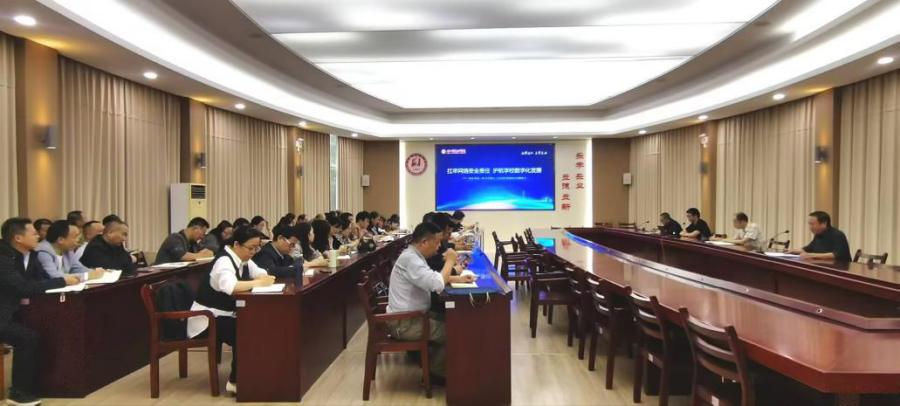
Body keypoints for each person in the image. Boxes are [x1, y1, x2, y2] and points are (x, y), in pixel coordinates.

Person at [0, 218, 81, 406]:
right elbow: (22, 287)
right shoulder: (3, 258)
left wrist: (63, 282)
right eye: (34, 233)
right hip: (3, 314)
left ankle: (41, 385)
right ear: (18, 238)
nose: (38, 236)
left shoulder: (31, 256)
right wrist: (62, 281)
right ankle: (18, 393)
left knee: (44, 330)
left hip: (15, 311)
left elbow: (41, 280)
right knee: (27, 338)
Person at [187, 226, 275, 395]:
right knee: (245, 330)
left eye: (257, 248)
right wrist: (258, 283)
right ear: (236, 244)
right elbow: (231, 287)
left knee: (256, 324)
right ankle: (236, 381)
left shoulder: (243, 258)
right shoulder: (224, 261)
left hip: (223, 315)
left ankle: (253, 374)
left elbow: (261, 272)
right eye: (251, 248)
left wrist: (262, 278)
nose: (253, 252)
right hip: (206, 319)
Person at [386, 222, 475, 384]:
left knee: (453, 321)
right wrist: (450, 261)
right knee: (453, 330)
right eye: (437, 242)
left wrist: (457, 279)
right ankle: (435, 374)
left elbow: (430, 278)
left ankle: (444, 366)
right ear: (424, 242)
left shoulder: (413, 256)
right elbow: (436, 284)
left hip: (412, 317)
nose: (439, 246)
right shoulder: (411, 259)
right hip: (404, 323)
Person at [35, 220, 106, 281]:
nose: (79, 239)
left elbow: (77, 268)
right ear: (60, 240)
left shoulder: (68, 250)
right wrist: (86, 276)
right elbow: (54, 276)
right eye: (75, 236)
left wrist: (96, 272)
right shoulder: (43, 251)